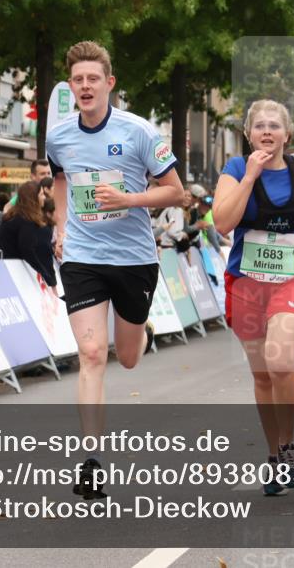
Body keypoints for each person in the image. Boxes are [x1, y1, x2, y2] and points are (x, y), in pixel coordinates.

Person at [46, 40, 184, 499]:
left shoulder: (140, 131)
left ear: (109, 83)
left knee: (126, 356)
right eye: (78, 80)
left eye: (93, 79)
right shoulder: (59, 135)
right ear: (71, 86)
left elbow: (176, 193)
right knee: (90, 355)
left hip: (133, 258)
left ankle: (141, 329)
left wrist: (130, 199)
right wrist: (62, 225)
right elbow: (60, 179)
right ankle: (91, 460)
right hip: (84, 257)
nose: (85, 87)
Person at [213, 99, 294, 496]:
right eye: (259, 126)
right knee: (262, 375)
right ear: (248, 134)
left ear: (288, 135)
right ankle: (273, 455)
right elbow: (222, 222)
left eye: (274, 126)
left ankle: (288, 445)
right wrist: (250, 177)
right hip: (247, 282)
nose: (266, 132)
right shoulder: (236, 170)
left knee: (281, 359)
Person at [0, 180, 56, 283]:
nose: (44, 198)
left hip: (9, 268)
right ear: (33, 197)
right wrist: (46, 276)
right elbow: (27, 250)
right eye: (41, 194)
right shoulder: (25, 220)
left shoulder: (16, 216)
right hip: (16, 272)